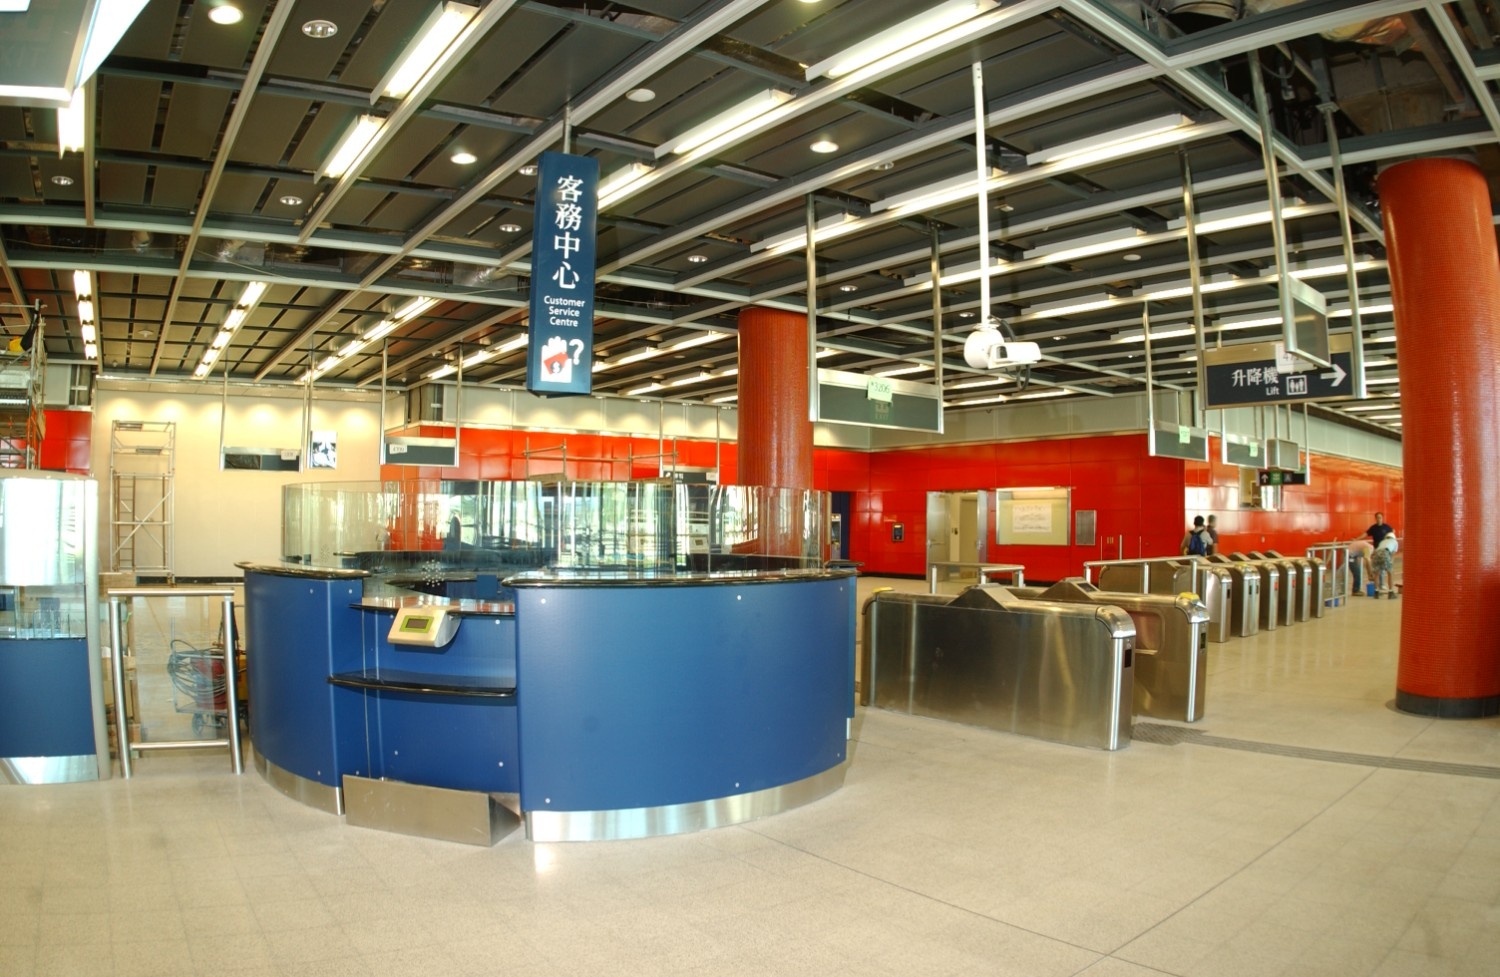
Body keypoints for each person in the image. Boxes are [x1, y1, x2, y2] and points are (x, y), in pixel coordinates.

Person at [1372, 532, 1399, 598]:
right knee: (1390, 573)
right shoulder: (1395, 542)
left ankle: (1376, 592)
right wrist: (1391, 563)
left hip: (1376, 554)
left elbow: (1375, 552)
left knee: (1377, 574)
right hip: (1385, 553)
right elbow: (1392, 555)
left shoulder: (1382, 541)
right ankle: (1390, 592)